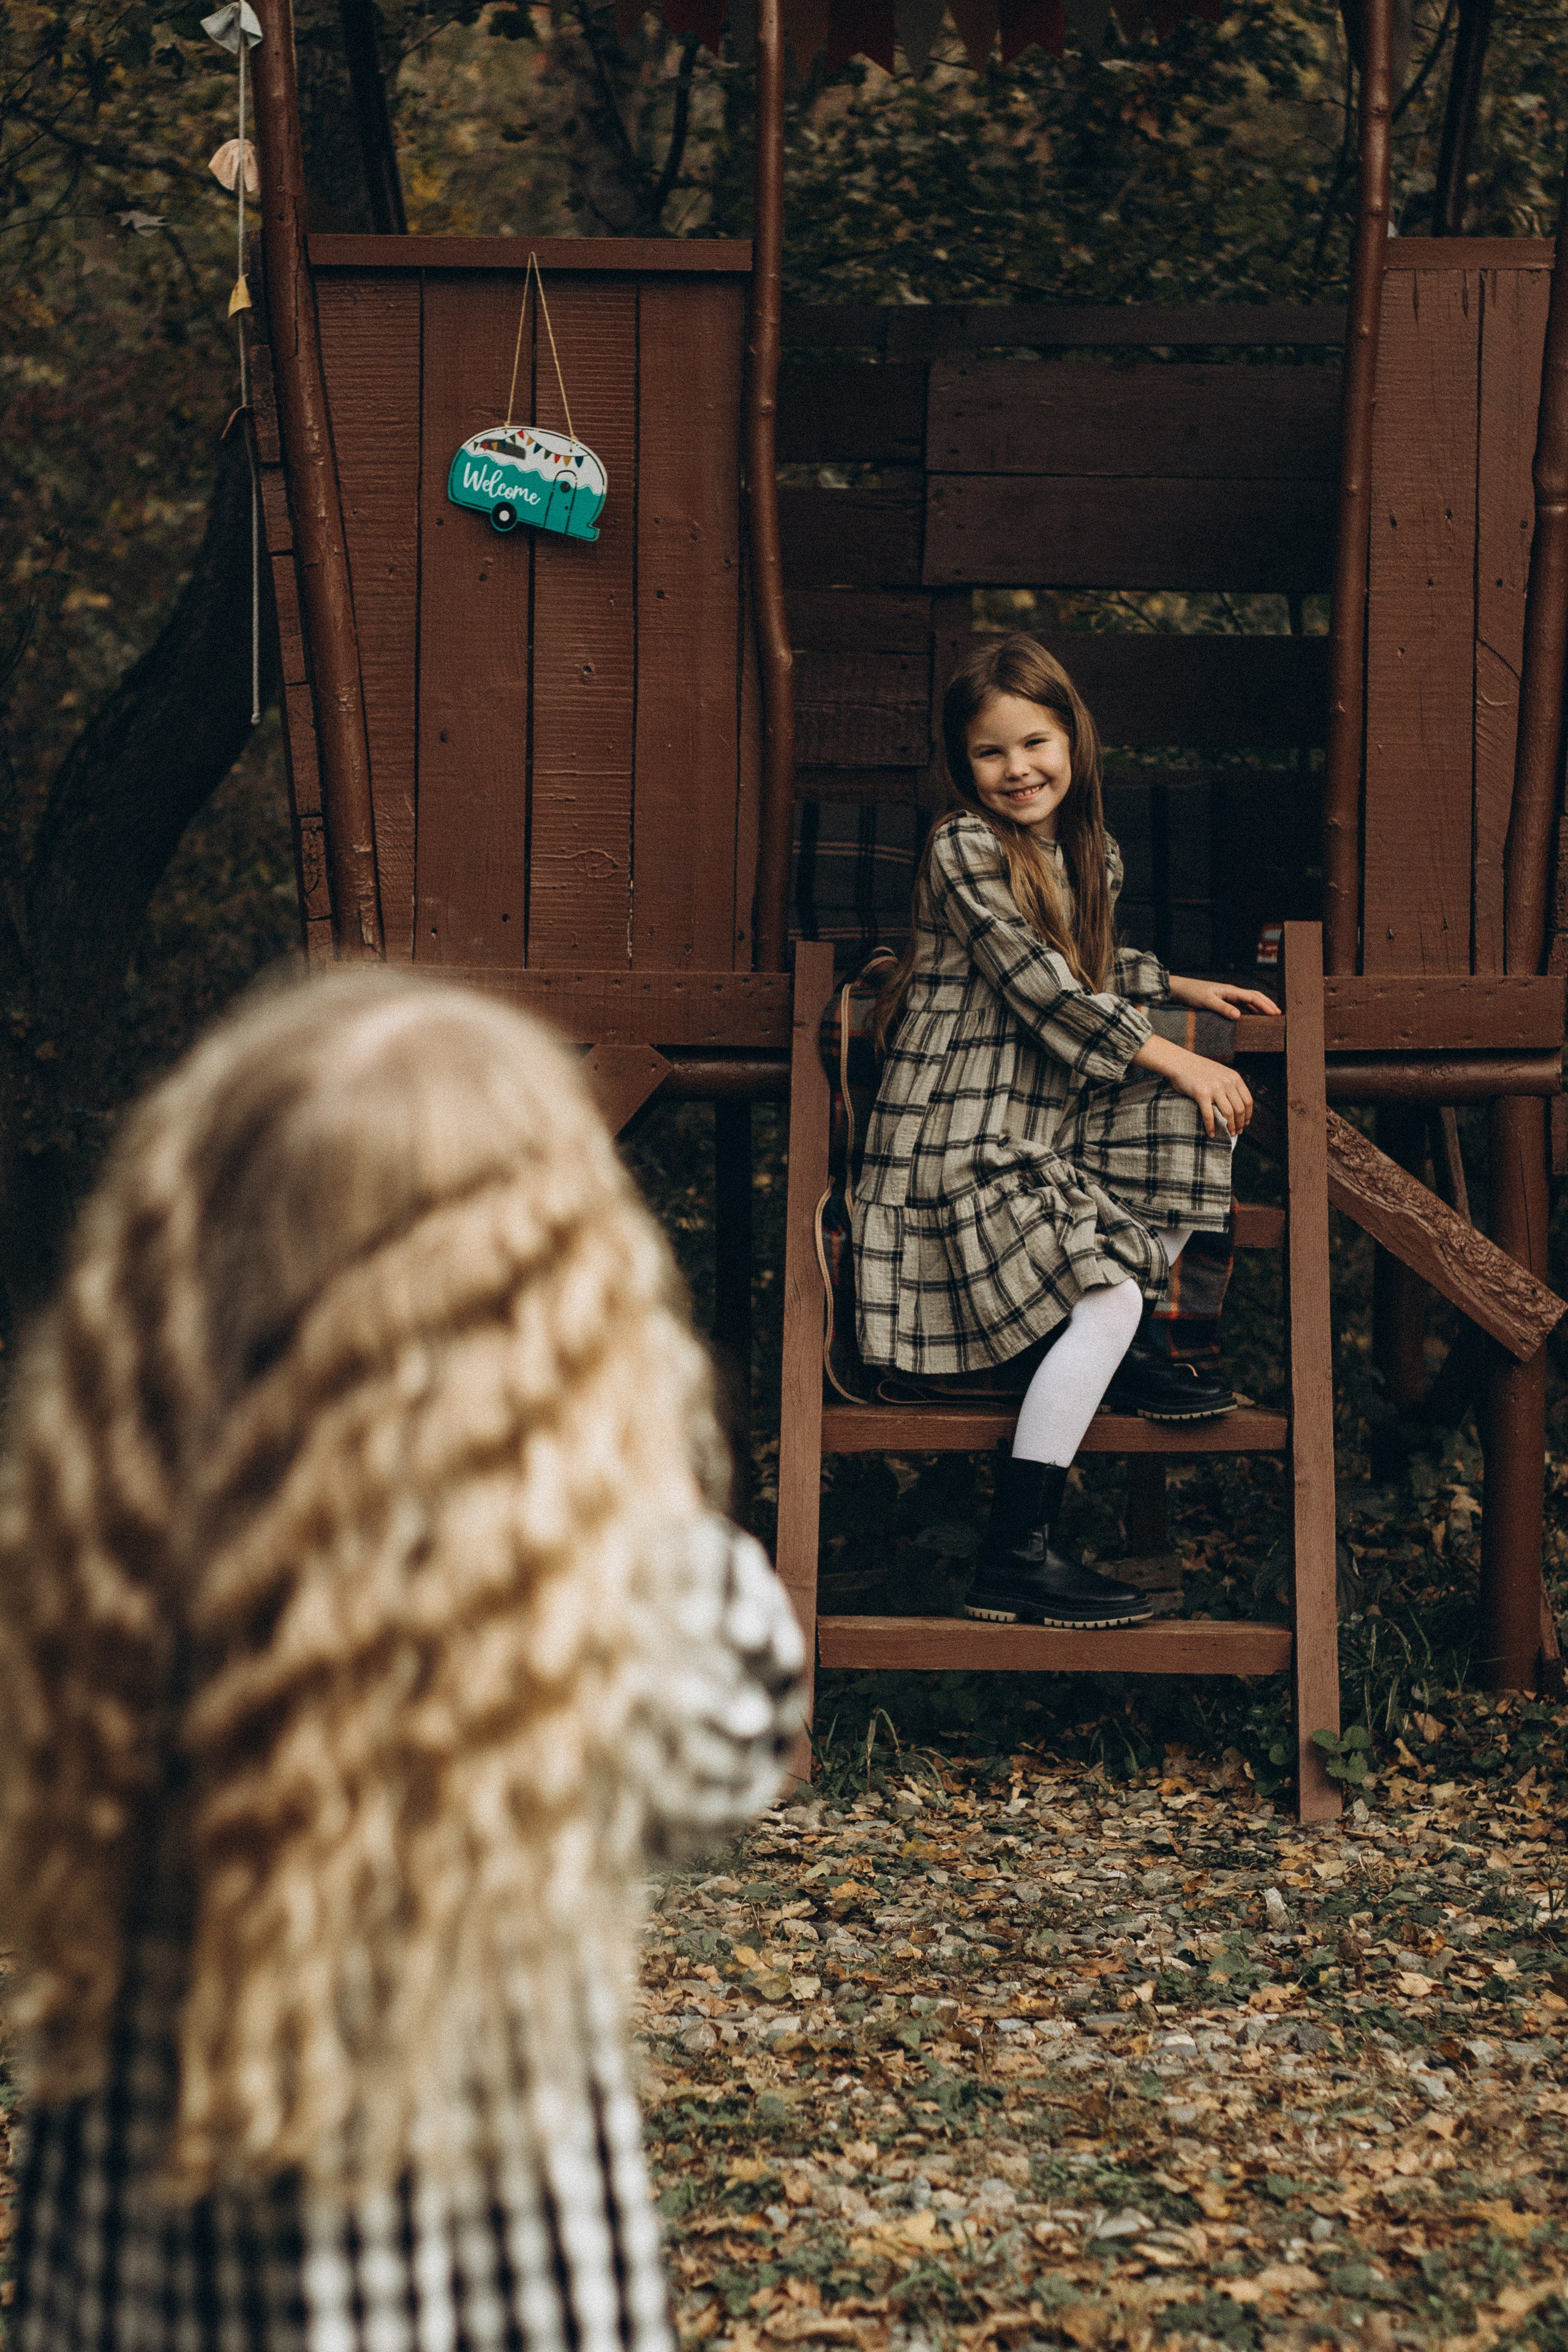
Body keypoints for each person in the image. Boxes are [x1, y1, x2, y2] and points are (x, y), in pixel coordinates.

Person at [0, 968, 803, 2352]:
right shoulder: (621, 1600)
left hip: (146, 2277)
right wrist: (591, 1439)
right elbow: (738, 1752)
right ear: (547, 1287)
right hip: (497, 2282)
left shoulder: (96, 1553)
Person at [854, 633, 1280, 1630]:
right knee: (1109, 1294)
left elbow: (1085, 959)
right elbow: (1037, 982)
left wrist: (1177, 986)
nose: (1017, 770)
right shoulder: (962, 847)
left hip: (1032, 1131)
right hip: (949, 1149)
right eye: (990, 754)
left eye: (1034, 742)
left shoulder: (1087, 854)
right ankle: (1017, 1555)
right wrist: (1178, 1049)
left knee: (1193, 1125)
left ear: (1073, 742)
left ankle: (1131, 1346)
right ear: (963, 768)